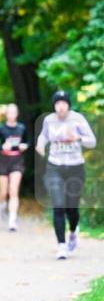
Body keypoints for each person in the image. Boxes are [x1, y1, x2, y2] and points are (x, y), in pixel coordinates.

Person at [36, 90, 97, 259]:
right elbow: (43, 136)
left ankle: (73, 231)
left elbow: (92, 141)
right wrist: (40, 145)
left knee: (72, 208)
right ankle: (61, 245)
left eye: (63, 103)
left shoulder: (78, 119)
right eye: (57, 103)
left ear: (68, 105)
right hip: (55, 166)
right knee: (58, 205)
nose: (60, 107)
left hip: (75, 167)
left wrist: (77, 137)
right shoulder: (49, 120)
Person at [0, 103, 27, 231]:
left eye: (14, 112)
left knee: (14, 190)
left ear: (17, 114)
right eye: (9, 112)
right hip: (3, 159)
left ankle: (12, 220)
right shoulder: (0, 129)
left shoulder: (22, 128)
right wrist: (1, 147)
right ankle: (1, 205)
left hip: (17, 159)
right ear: (6, 114)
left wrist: (24, 146)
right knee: (4, 191)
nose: (12, 115)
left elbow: (27, 141)